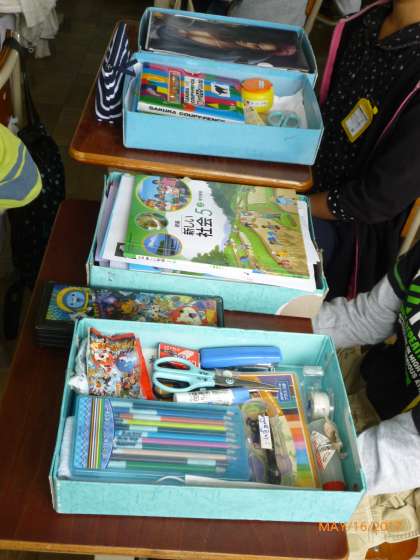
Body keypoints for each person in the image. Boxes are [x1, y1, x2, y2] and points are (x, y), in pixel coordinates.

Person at [309, 0, 420, 299]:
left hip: (349, 232)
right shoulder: (365, 22)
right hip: (304, 176)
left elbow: (377, 199)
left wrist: (299, 205)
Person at [313, 240, 420, 496]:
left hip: (400, 469)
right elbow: (369, 317)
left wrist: (315, 471)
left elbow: (405, 453)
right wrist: (282, 329)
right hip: (375, 392)